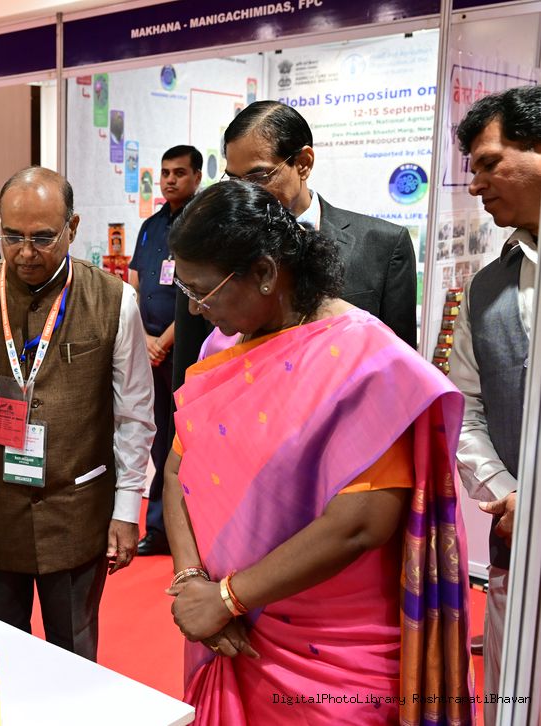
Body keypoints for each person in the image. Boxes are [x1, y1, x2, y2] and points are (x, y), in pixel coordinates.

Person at [162, 181, 472, 724]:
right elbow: (176, 471)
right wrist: (192, 584)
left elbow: (360, 524)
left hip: (333, 656)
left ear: (264, 272)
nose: (193, 308)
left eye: (204, 292)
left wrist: (228, 597)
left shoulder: (368, 361)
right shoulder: (223, 347)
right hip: (226, 629)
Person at [0, 167, 155, 661]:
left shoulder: (115, 301)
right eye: (12, 236)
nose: (26, 252)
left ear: (73, 227)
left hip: (78, 514)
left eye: (43, 238)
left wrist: (127, 509)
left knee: (75, 656)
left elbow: (134, 415)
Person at [449, 84, 541, 725]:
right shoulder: (486, 288)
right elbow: (467, 410)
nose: (476, 184)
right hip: (519, 544)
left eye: (488, 163)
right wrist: (510, 496)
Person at [215, 101, 417, 348]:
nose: (246, 193)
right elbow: (193, 363)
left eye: (258, 177)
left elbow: (398, 360)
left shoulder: (383, 246)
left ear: (303, 163)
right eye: (235, 180)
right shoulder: (215, 247)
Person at [129, 144, 202, 557]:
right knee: (157, 439)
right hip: (149, 349)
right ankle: (158, 528)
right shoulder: (151, 226)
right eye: (166, 173)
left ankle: (188, 531)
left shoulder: (202, 224)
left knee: (184, 442)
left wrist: (165, 341)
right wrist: (144, 338)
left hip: (186, 350)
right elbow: (136, 283)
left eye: (180, 172)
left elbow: (196, 291)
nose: (171, 179)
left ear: (197, 177)